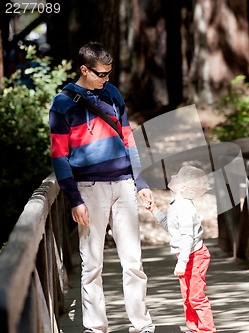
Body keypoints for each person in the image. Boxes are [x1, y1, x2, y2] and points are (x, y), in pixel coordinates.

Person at [49, 41, 155, 333]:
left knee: (133, 261)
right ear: (84, 69)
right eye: (100, 74)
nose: (106, 79)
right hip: (89, 188)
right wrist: (73, 198)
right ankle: (96, 328)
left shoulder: (113, 94)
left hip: (123, 185)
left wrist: (140, 182)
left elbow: (128, 139)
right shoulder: (62, 103)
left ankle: (142, 325)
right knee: (92, 264)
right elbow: (59, 155)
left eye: (109, 73)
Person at [144, 165, 216, 333]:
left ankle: (207, 330)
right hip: (186, 256)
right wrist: (154, 210)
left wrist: (182, 262)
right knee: (187, 297)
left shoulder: (185, 208)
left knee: (196, 297)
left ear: (183, 186)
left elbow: (187, 237)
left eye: (178, 176)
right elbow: (170, 226)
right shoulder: (176, 204)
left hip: (195, 256)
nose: (173, 174)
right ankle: (193, 328)